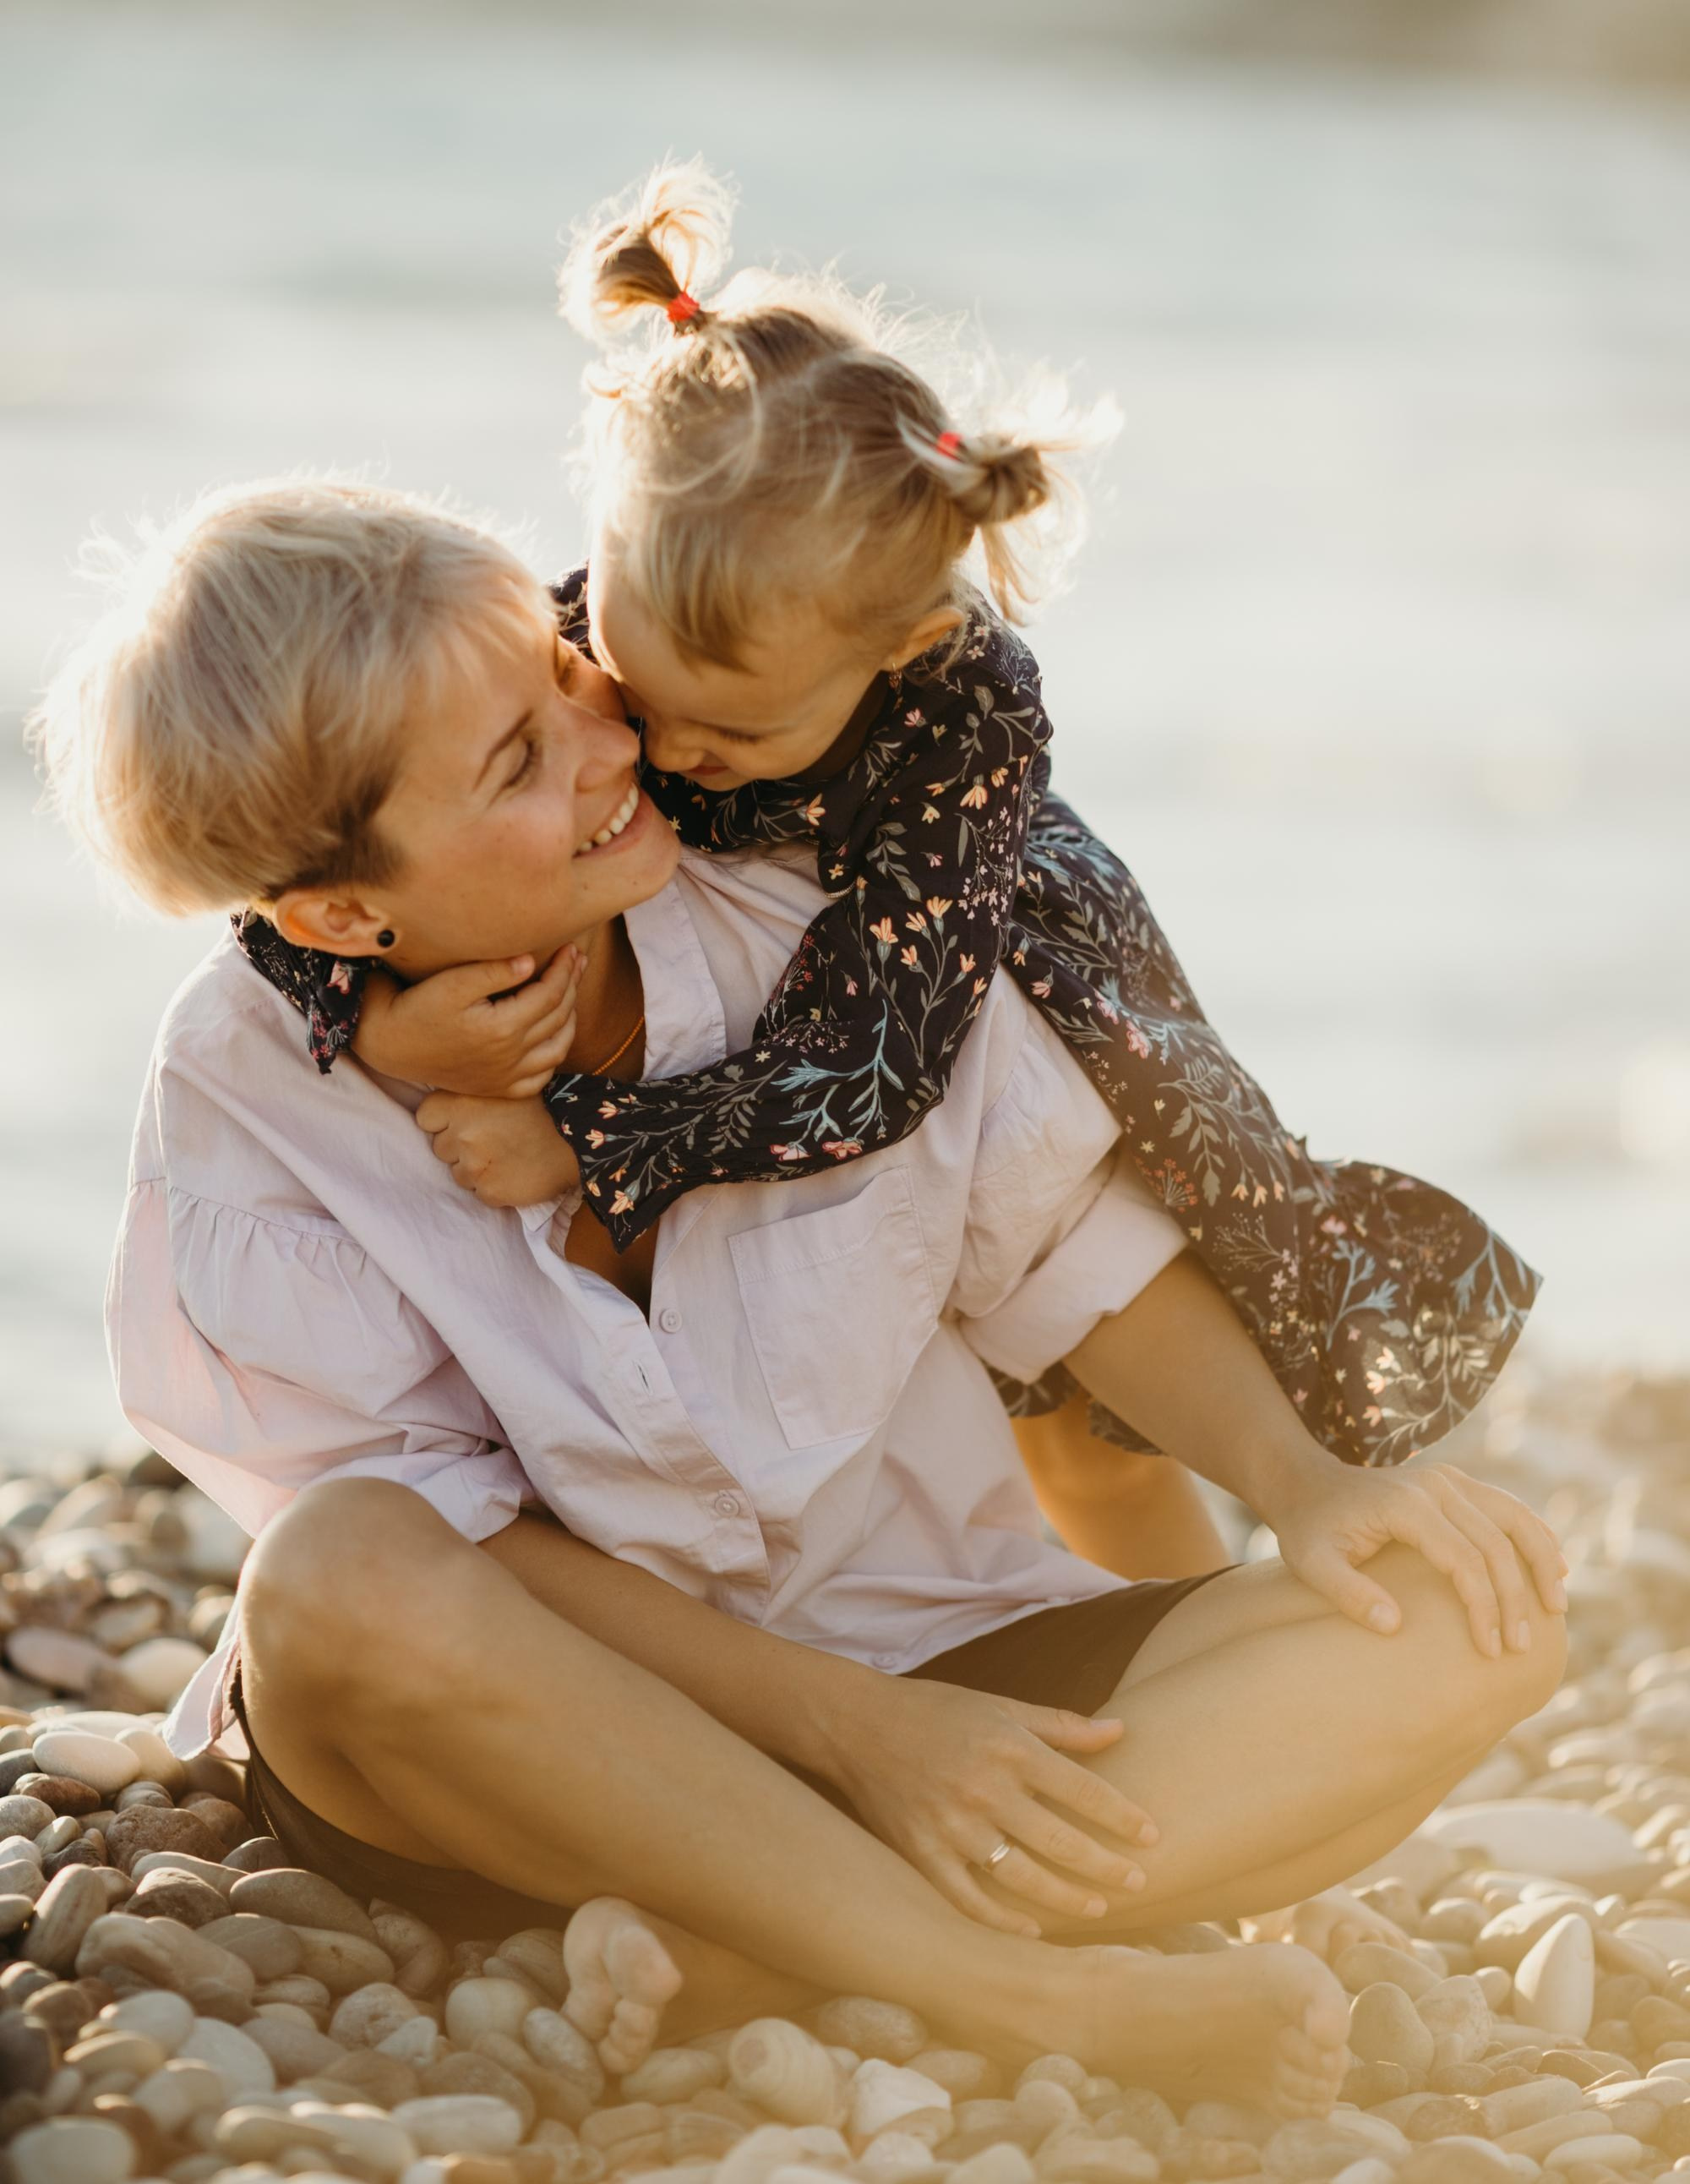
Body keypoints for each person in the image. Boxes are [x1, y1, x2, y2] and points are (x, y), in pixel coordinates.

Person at [36, 478, 1567, 2113]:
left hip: (942, 1657)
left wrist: (1307, 1486)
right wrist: (860, 1739)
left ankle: (767, 1953)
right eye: (519, 763)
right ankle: (1019, 1984)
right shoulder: (246, 1094)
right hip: (531, 1767)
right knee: (335, 1570)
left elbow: (1066, 1251)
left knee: (1469, 1612)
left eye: (563, 674)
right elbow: (456, 1552)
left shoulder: (826, 922)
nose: (611, 744)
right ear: (341, 914)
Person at [232, 163, 1540, 1586]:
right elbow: (337, 843)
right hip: (799, 991)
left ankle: (1212, 1625)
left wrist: (600, 1144)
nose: (648, 748)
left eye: (729, 734)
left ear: (897, 648)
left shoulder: (959, 716)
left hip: (978, 944)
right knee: (964, 1400)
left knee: (1081, 1407)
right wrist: (367, 1013)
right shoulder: (636, 601)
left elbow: (874, 1061)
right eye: (615, 675)